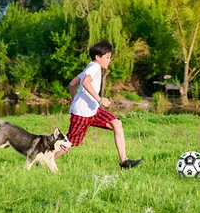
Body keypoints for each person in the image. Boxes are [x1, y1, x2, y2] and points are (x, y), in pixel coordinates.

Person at [54, 40, 142, 169]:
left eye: (109, 57)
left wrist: (74, 101)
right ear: (98, 57)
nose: (109, 60)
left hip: (93, 110)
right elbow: (85, 83)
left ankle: (124, 162)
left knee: (116, 123)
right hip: (82, 113)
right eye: (107, 57)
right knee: (71, 141)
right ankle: (45, 160)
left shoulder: (90, 67)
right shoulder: (94, 67)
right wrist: (100, 99)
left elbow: (72, 84)